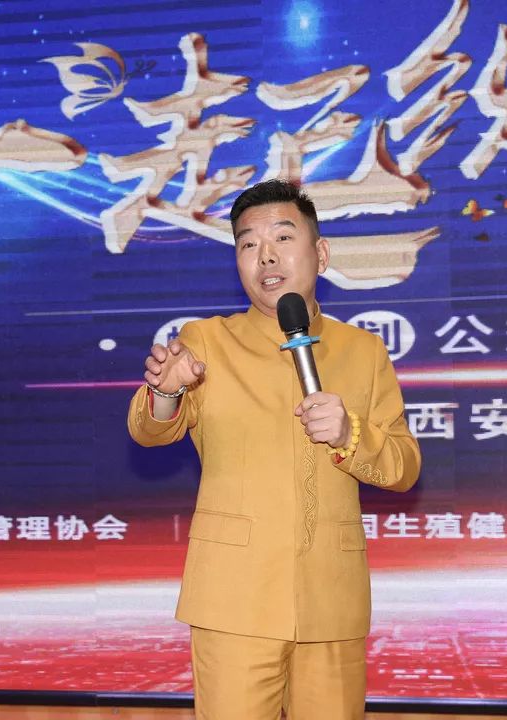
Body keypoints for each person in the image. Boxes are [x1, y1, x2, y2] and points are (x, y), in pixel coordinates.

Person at [127, 179, 421, 719]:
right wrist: (167, 392)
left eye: (283, 238)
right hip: (233, 599)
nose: (266, 256)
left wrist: (351, 434)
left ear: (320, 254)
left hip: (331, 601)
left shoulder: (364, 350)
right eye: (248, 244)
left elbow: (404, 467)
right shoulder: (205, 341)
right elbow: (152, 430)